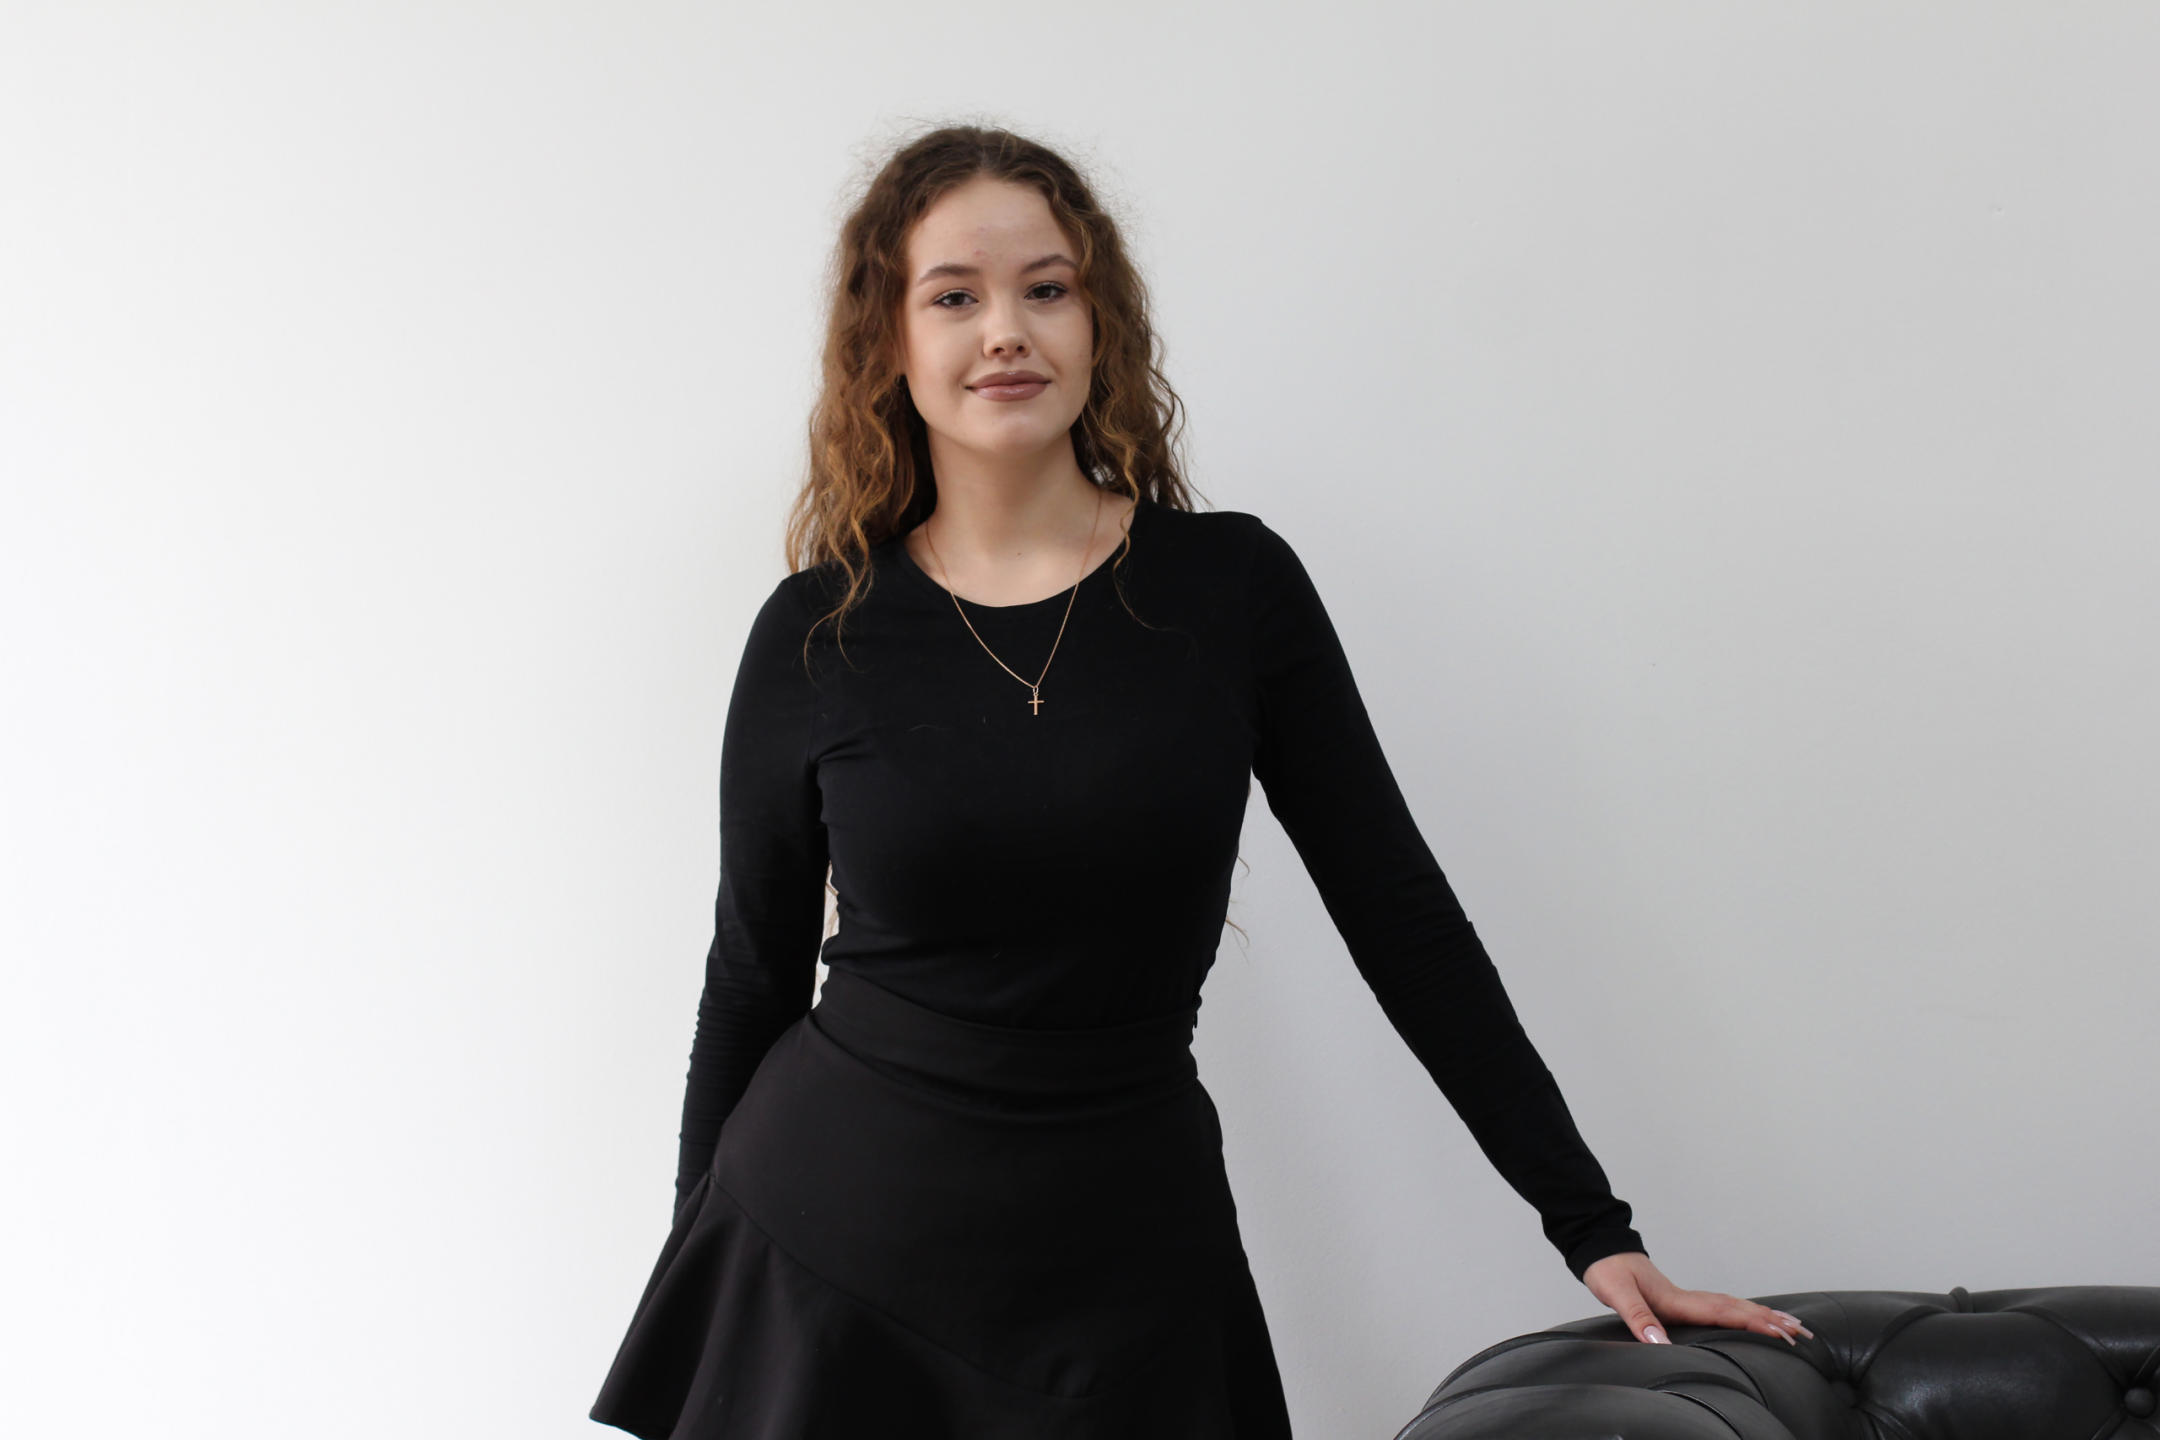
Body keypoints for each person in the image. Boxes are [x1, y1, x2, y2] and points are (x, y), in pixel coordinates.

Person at [589, 123, 1809, 1440]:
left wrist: (1591, 1226)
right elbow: (750, 973)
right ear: (887, 342)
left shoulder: (1229, 589)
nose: (1006, 331)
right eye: (953, 296)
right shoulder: (816, 632)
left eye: (1046, 289)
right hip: (833, 1253)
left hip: (1129, 1259)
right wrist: (695, 1288)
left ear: (1099, 323)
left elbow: (1399, 914)